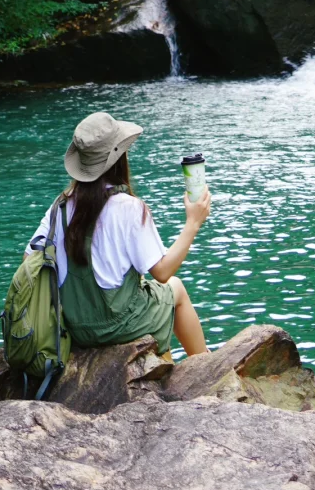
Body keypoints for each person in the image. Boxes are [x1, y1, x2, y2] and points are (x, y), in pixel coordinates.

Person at [27, 111, 211, 357]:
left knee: (144, 287)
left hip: (74, 326)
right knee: (175, 289)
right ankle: (204, 366)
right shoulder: (128, 207)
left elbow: (29, 260)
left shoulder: (60, 206)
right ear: (119, 157)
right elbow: (163, 272)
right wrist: (193, 223)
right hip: (117, 326)